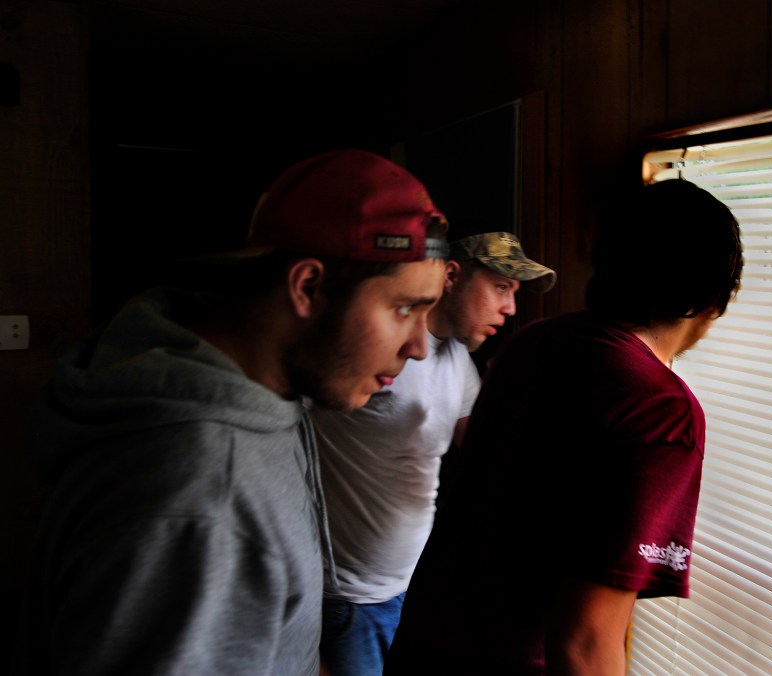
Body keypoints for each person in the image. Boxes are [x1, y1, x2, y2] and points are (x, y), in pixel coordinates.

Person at [10, 149, 451, 676]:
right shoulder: (201, 497)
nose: (418, 348)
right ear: (307, 287)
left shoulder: (261, 394)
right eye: (404, 308)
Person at [384, 178, 744, 676]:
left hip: (423, 644)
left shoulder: (537, 341)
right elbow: (586, 642)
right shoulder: (659, 409)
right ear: (713, 297)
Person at [311, 231, 555, 675]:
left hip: (414, 584)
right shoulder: (380, 343)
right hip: (350, 594)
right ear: (452, 276)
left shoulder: (456, 358)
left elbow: (489, 452)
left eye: (514, 293)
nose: (509, 308)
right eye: (500, 287)